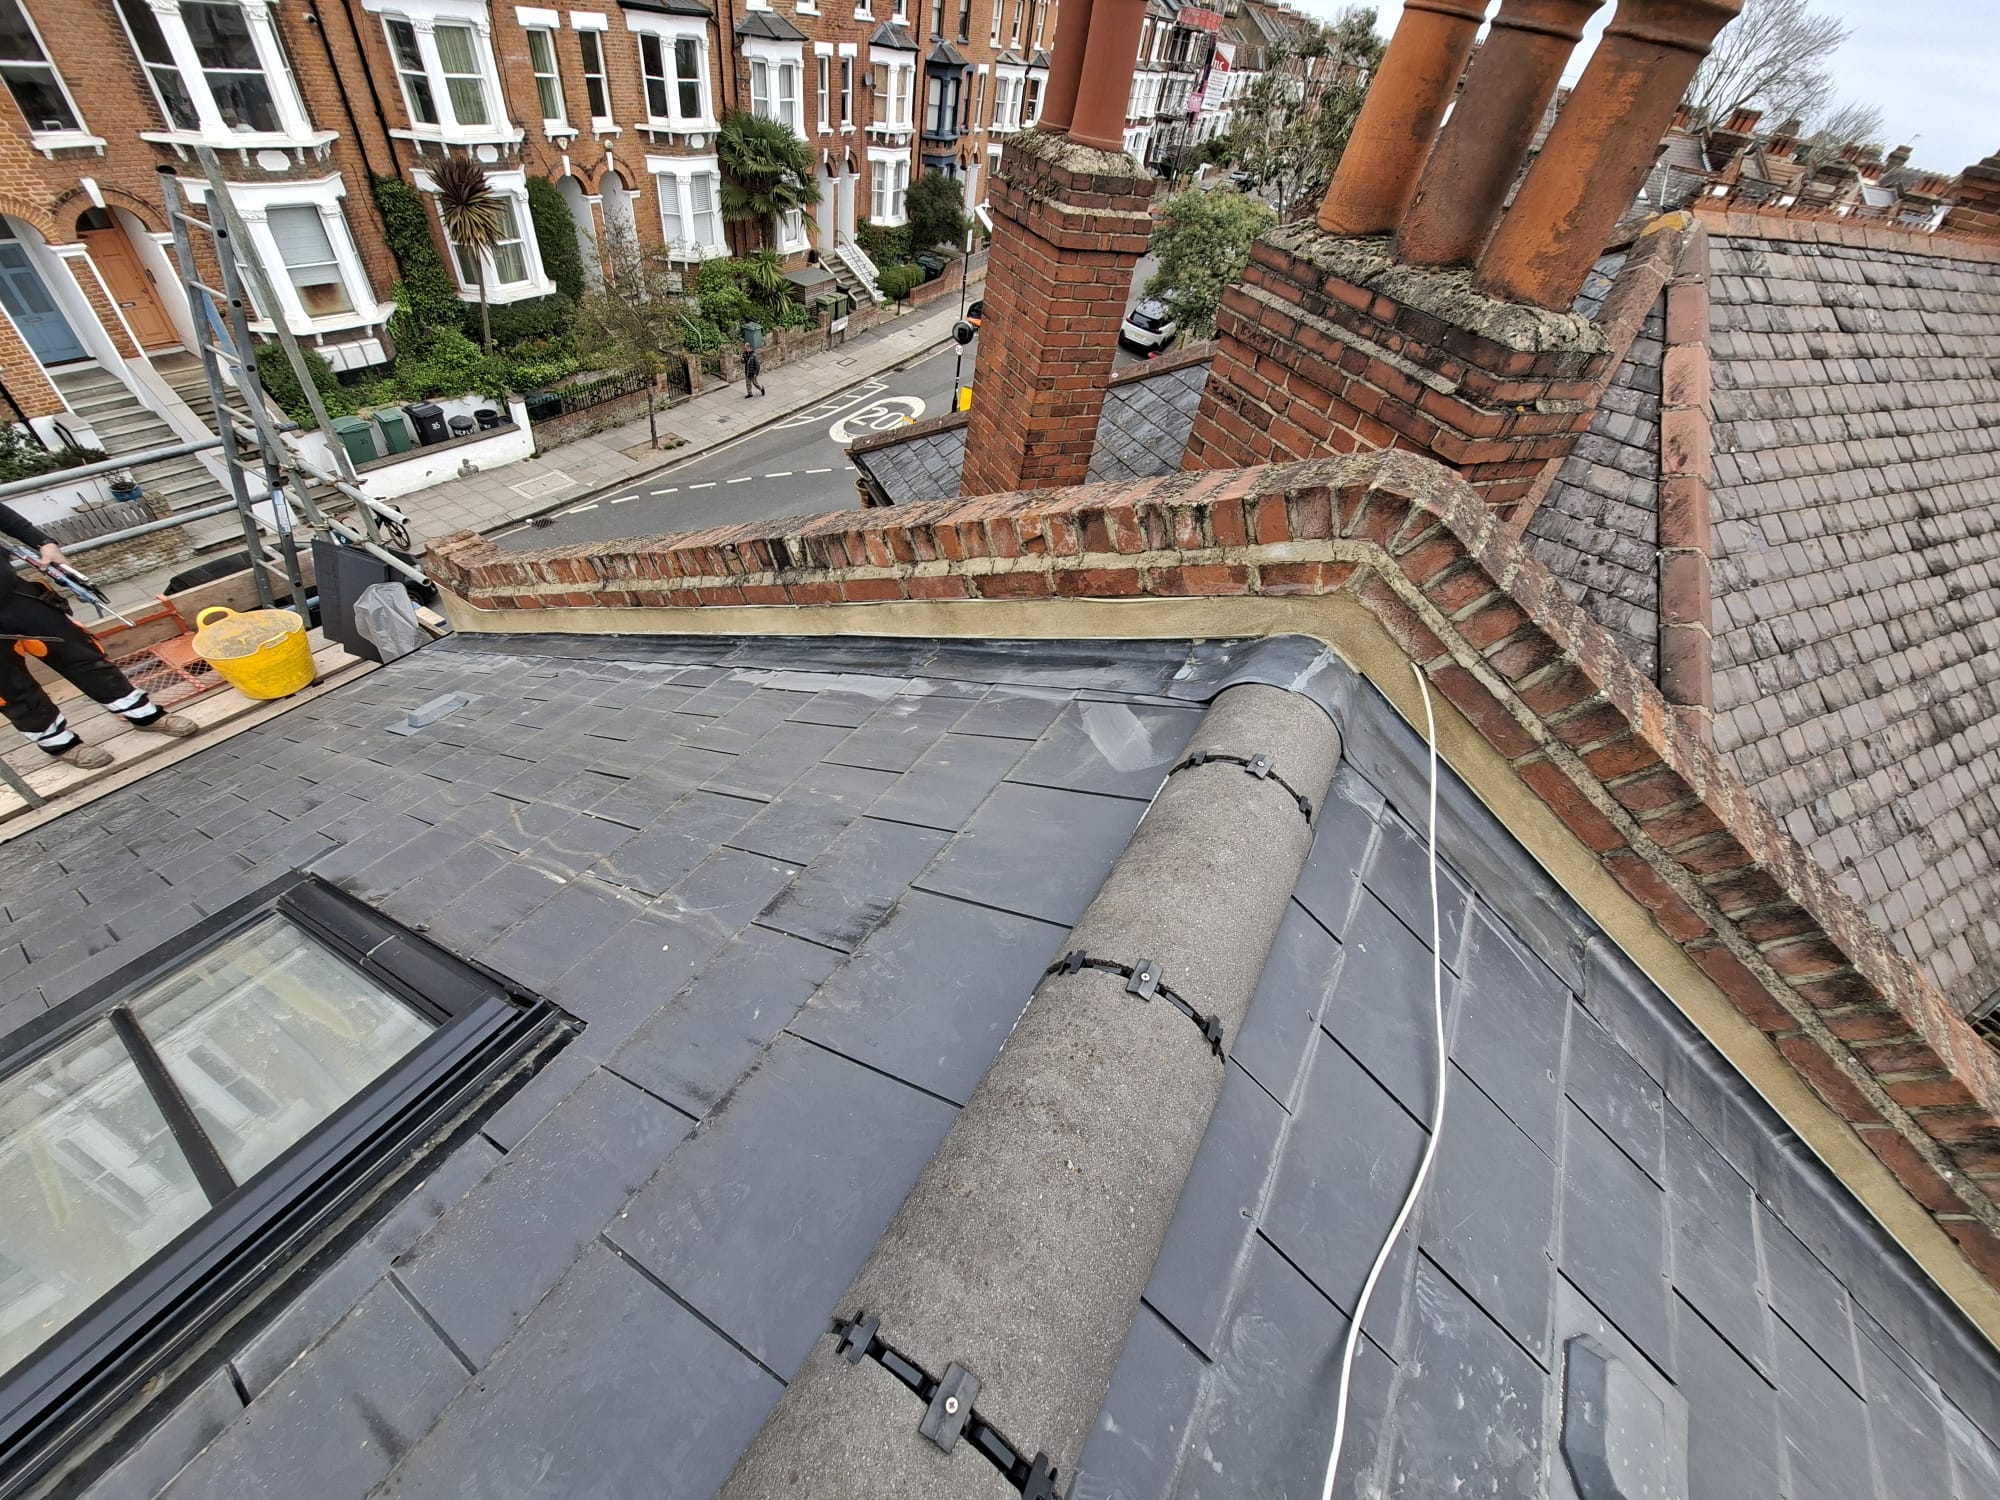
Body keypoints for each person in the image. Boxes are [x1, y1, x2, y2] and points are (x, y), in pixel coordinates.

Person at [0, 501, 196, 769]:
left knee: (81, 654)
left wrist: (43, 542)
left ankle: (143, 715)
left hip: (13, 596)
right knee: (10, 687)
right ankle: (59, 743)